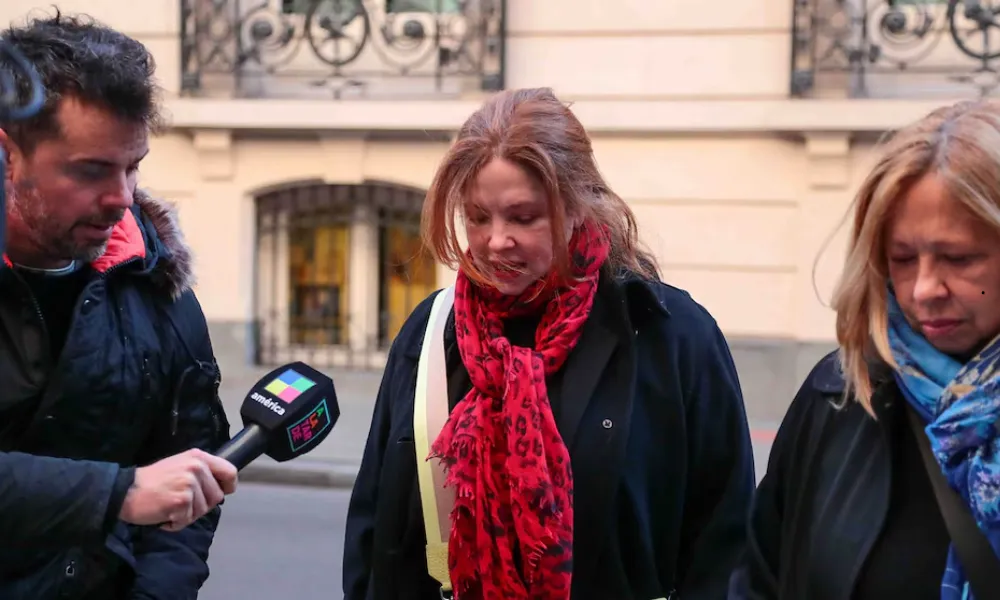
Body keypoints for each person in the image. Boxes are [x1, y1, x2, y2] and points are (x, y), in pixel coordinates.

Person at [343, 87, 756, 600]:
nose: (496, 241)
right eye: (477, 217)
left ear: (579, 206)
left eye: (523, 217)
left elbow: (725, 544)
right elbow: (375, 528)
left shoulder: (670, 335)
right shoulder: (431, 332)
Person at [0, 11, 236, 599]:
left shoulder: (157, 284)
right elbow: (141, 489)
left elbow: (187, 476)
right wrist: (117, 493)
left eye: (133, 167)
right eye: (91, 171)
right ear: (7, 156)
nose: (122, 197)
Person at [728, 99, 1000, 599]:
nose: (924, 289)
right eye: (902, 259)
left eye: (958, 258)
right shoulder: (840, 396)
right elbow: (762, 579)